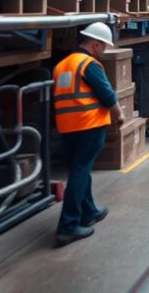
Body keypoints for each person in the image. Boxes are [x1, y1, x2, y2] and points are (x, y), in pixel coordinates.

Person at [53, 22, 124, 247]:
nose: (102, 52)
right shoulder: (89, 64)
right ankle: (68, 226)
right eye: (102, 47)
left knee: (80, 169)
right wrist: (119, 115)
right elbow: (107, 94)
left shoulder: (62, 65)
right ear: (94, 45)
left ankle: (89, 210)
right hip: (88, 125)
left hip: (67, 127)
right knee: (79, 172)